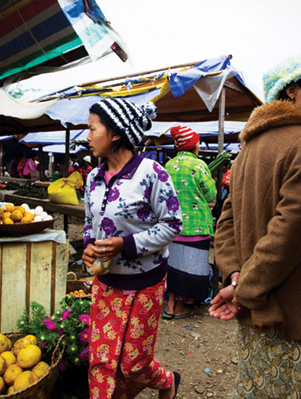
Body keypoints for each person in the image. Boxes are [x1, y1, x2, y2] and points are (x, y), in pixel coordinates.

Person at [209, 55, 301, 398]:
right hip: (294, 308)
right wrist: (246, 289)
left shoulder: (247, 149)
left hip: (254, 307)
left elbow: (226, 223)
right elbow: (290, 231)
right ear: (293, 91)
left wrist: (236, 276)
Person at [80, 98, 183, 399]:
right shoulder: (93, 179)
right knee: (101, 363)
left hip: (145, 284)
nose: (87, 136)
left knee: (134, 364)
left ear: (115, 133)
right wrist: (87, 245)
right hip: (105, 283)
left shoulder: (151, 173)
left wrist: (126, 244)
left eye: (91, 128)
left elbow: (173, 224)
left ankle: (167, 381)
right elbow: (89, 221)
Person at [163, 125, 217, 319]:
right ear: (194, 146)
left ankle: (171, 306)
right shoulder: (199, 165)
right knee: (191, 268)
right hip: (196, 225)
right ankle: (182, 307)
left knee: (174, 265)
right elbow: (211, 194)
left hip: (172, 225)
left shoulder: (168, 166)